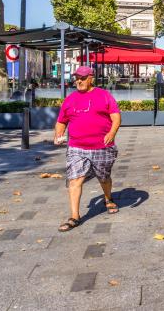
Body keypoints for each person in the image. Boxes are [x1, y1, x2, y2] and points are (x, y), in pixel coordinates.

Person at [54, 66, 122, 232]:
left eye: (83, 78)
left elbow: (116, 116)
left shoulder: (104, 95)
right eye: (77, 77)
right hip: (77, 147)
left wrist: (112, 132)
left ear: (91, 78)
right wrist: (59, 133)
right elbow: (61, 121)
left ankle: (108, 198)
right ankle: (74, 216)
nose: (79, 81)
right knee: (75, 179)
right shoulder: (70, 99)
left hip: (102, 147)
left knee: (103, 177)